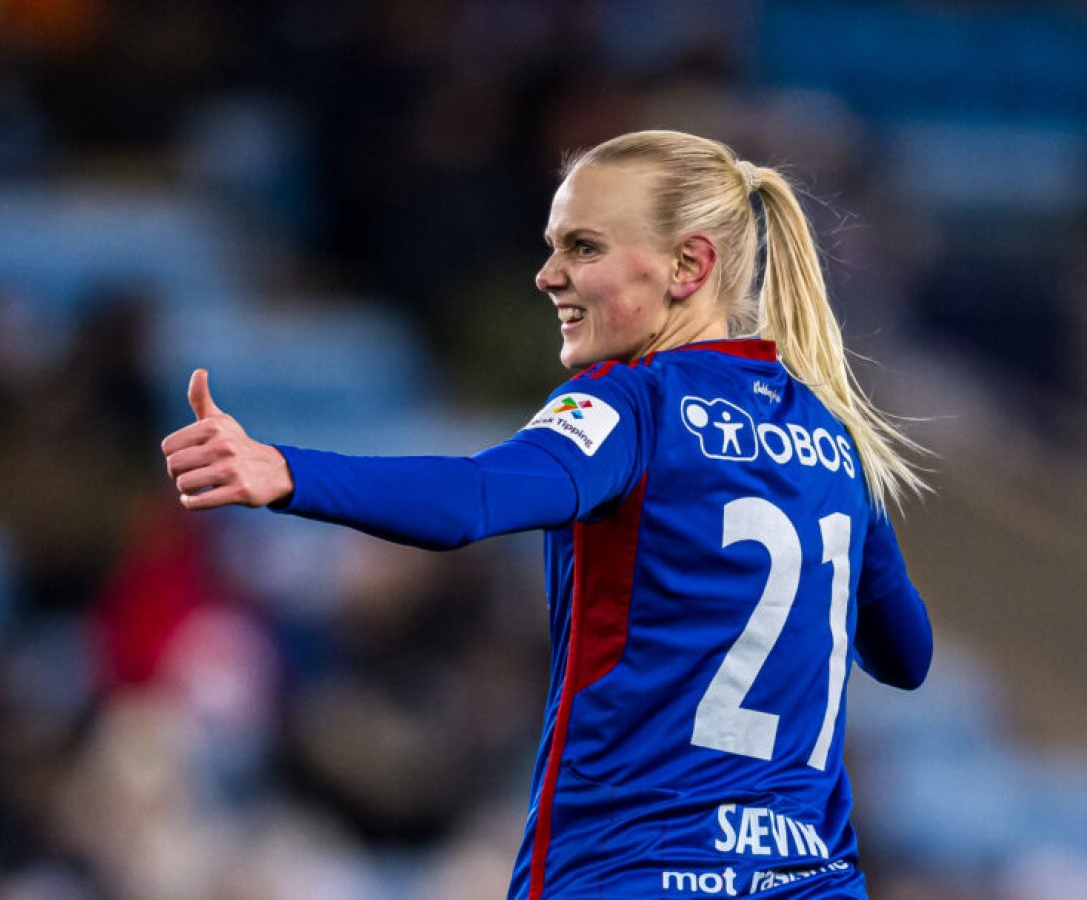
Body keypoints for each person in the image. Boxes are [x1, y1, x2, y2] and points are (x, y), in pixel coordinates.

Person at [160, 130, 933, 899]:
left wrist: (287, 469)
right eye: (552, 246)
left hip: (635, 872)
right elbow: (906, 655)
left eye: (583, 248)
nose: (547, 275)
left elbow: (474, 499)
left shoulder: (631, 404)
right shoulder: (833, 441)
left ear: (690, 266)